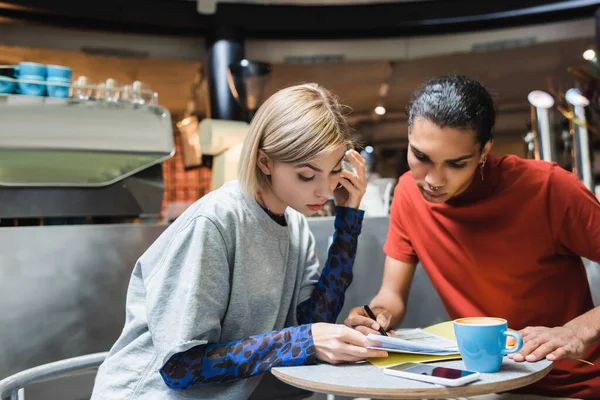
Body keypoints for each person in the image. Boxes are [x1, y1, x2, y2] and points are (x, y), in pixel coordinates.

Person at [91, 83, 387, 400]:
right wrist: (302, 340)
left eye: (333, 173)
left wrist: (347, 220)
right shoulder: (216, 222)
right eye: (306, 175)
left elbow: (313, 322)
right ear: (264, 162)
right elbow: (181, 366)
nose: (324, 191)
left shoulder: (296, 224)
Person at [344, 75, 600, 398]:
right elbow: (391, 297)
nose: (433, 180)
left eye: (456, 164)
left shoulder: (549, 189)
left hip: (572, 387)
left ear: (484, 150)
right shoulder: (408, 194)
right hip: (484, 385)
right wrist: (375, 317)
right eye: (421, 157)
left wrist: (578, 331)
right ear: (409, 136)